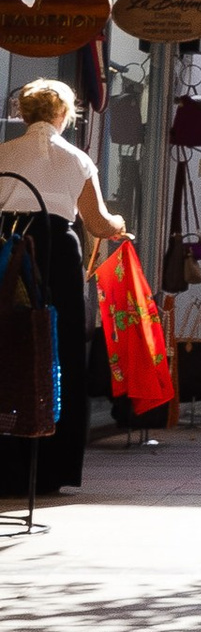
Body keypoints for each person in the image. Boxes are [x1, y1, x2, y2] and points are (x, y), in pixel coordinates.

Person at [0, 78, 127, 499]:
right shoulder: (76, 158)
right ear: (63, 115)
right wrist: (120, 226)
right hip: (54, 254)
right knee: (60, 350)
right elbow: (97, 223)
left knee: (6, 347)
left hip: (5, 251)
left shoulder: (3, 153)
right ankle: (51, 466)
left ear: (23, 114)